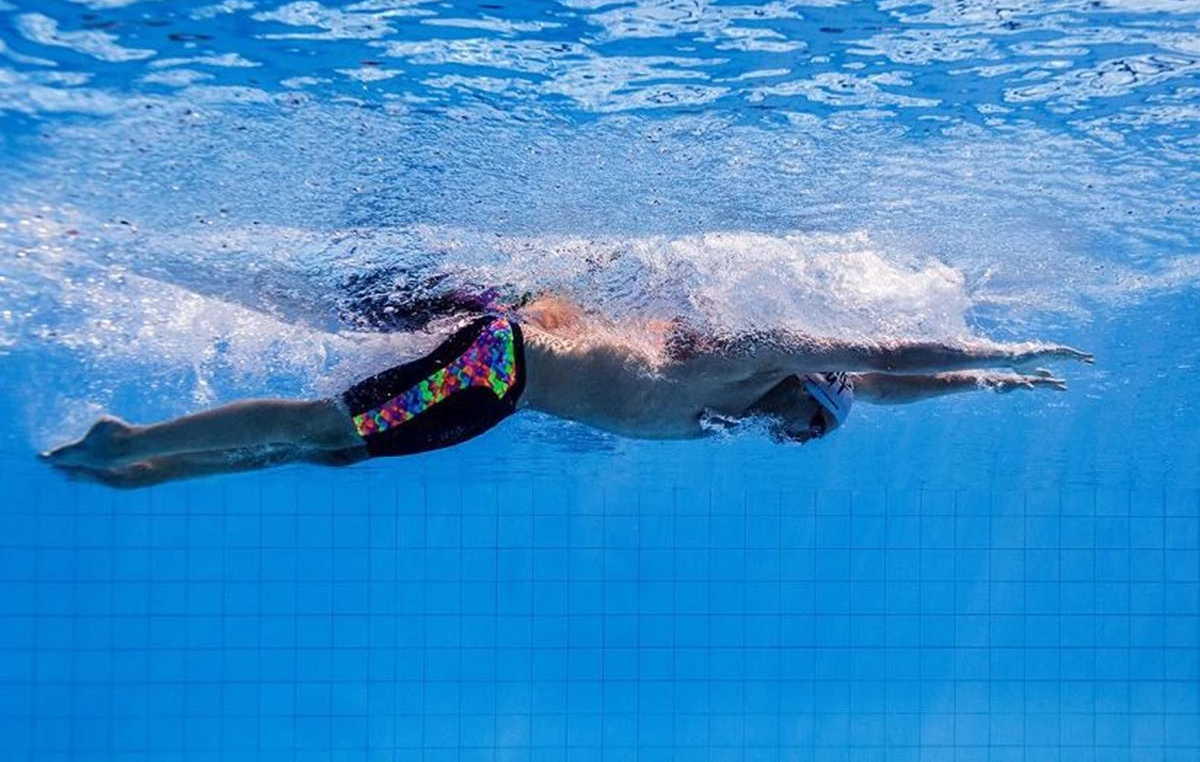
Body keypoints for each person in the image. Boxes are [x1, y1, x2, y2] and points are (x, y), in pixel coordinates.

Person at [40, 294, 1092, 489]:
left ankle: (162, 462)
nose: (800, 437)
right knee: (332, 424)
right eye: (812, 422)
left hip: (494, 392)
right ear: (803, 390)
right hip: (498, 367)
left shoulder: (753, 404)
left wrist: (987, 381)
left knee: (341, 448)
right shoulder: (745, 359)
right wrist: (995, 340)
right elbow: (880, 351)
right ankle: (129, 437)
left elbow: (888, 385)